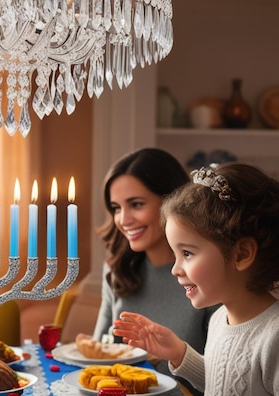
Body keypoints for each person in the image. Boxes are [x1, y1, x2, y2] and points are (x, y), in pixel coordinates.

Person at [113, 163, 279, 396]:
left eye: (187, 253)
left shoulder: (273, 334)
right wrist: (179, 353)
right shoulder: (220, 319)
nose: (176, 269)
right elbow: (231, 386)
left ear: (242, 253)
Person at [90, 147, 218, 375]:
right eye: (116, 208)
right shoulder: (116, 268)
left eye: (136, 204)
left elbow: (224, 381)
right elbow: (99, 351)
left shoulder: (207, 271)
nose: (123, 220)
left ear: (173, 201)